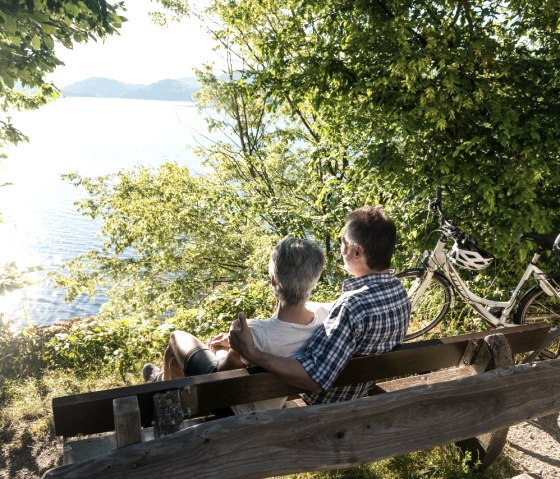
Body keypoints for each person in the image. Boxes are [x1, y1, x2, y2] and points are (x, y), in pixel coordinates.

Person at [229, 205, 411, 405]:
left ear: (357, 252)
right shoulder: (399, 293)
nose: (341, 248)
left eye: (344, 242)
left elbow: (314, 379)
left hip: (326, 408)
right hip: (359, 395)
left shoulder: (352, 307)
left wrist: (252, 353)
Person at [142, 236, 329, 415]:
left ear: (273, 280)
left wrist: (222, 348)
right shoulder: (324, 316)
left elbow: (221, 374)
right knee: (175, 359)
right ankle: (160, 381)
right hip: (274, 401)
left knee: (176, 337)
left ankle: (160, 388)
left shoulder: (255, 333)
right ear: (314, 281)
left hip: (236, 409)